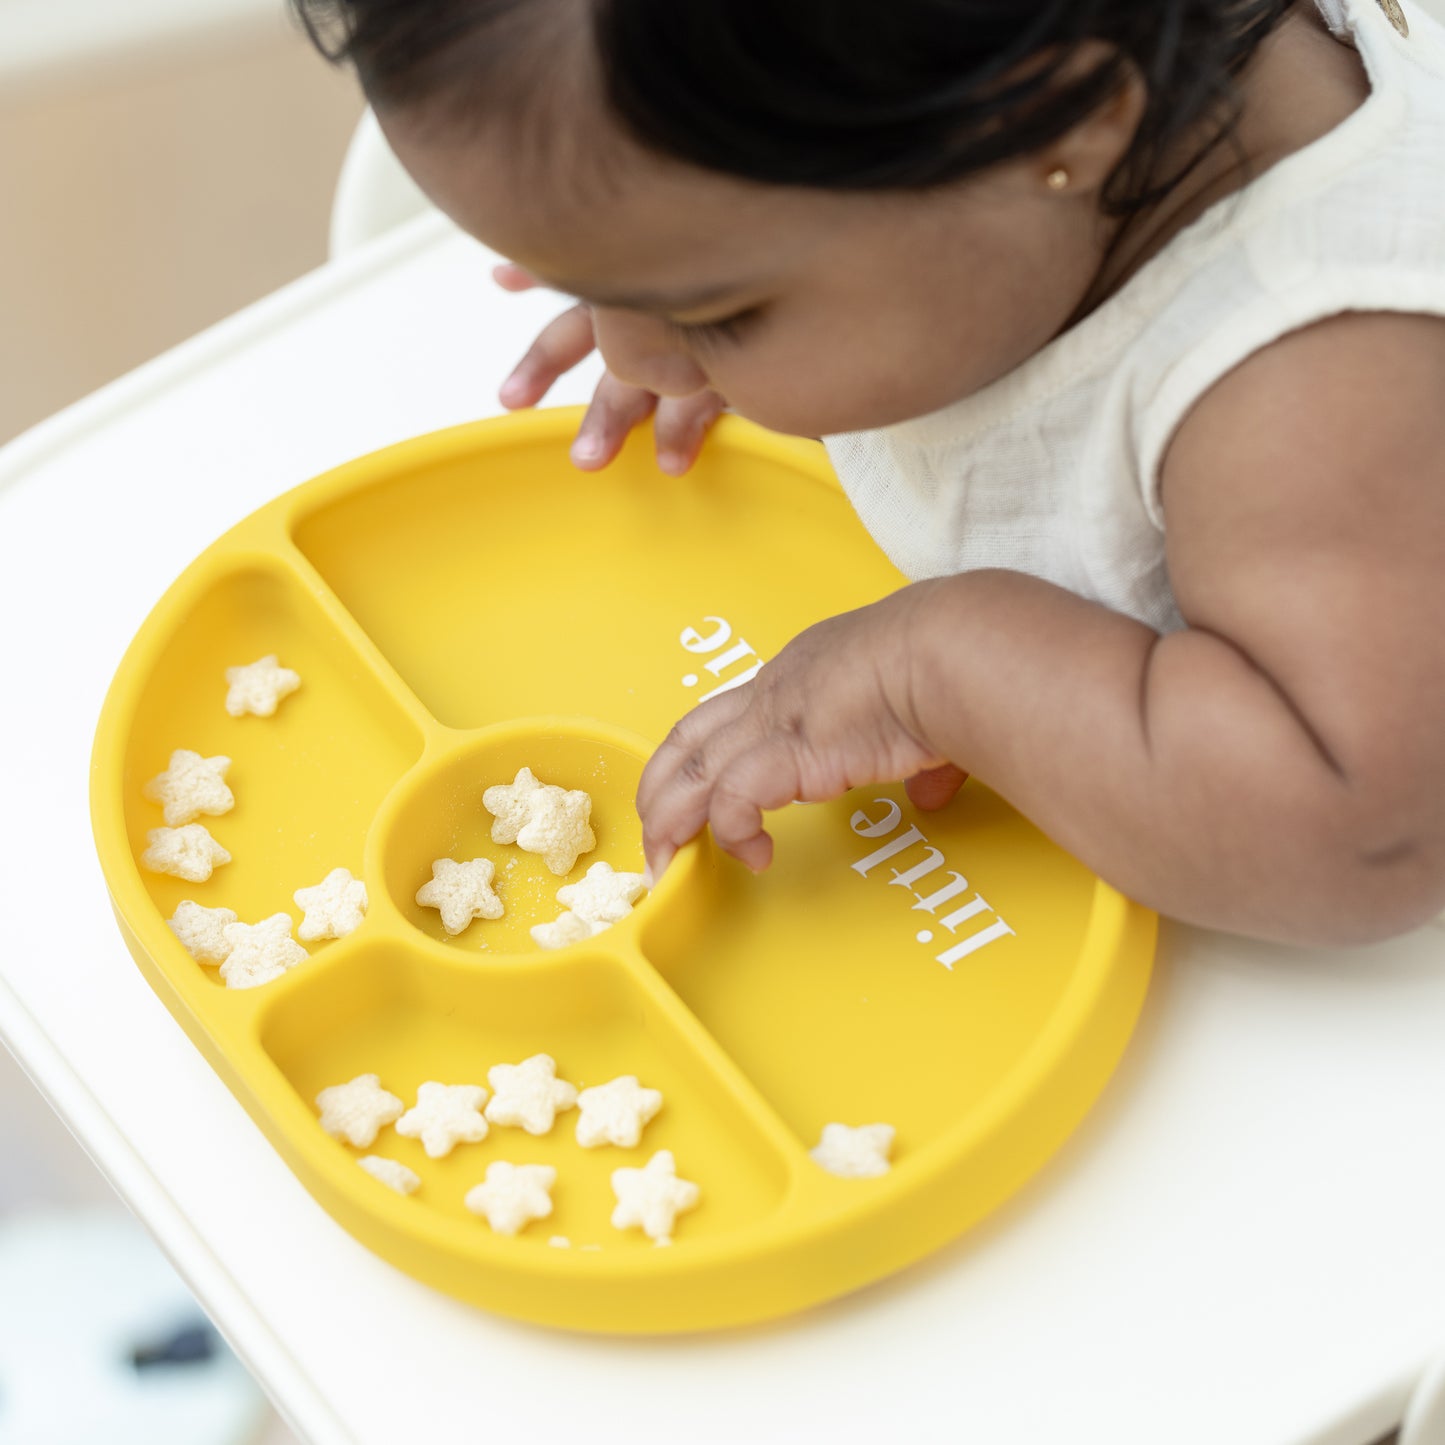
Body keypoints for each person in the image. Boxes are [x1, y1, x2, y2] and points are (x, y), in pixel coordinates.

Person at [293, 0, 1445, 944]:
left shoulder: (1317, 385)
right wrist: (670, 291)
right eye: (582, 289)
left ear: (1067, 123)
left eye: (714, 310)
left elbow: (1362, 833)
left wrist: (934, 667)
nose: (625, 353)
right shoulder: (985, 171)